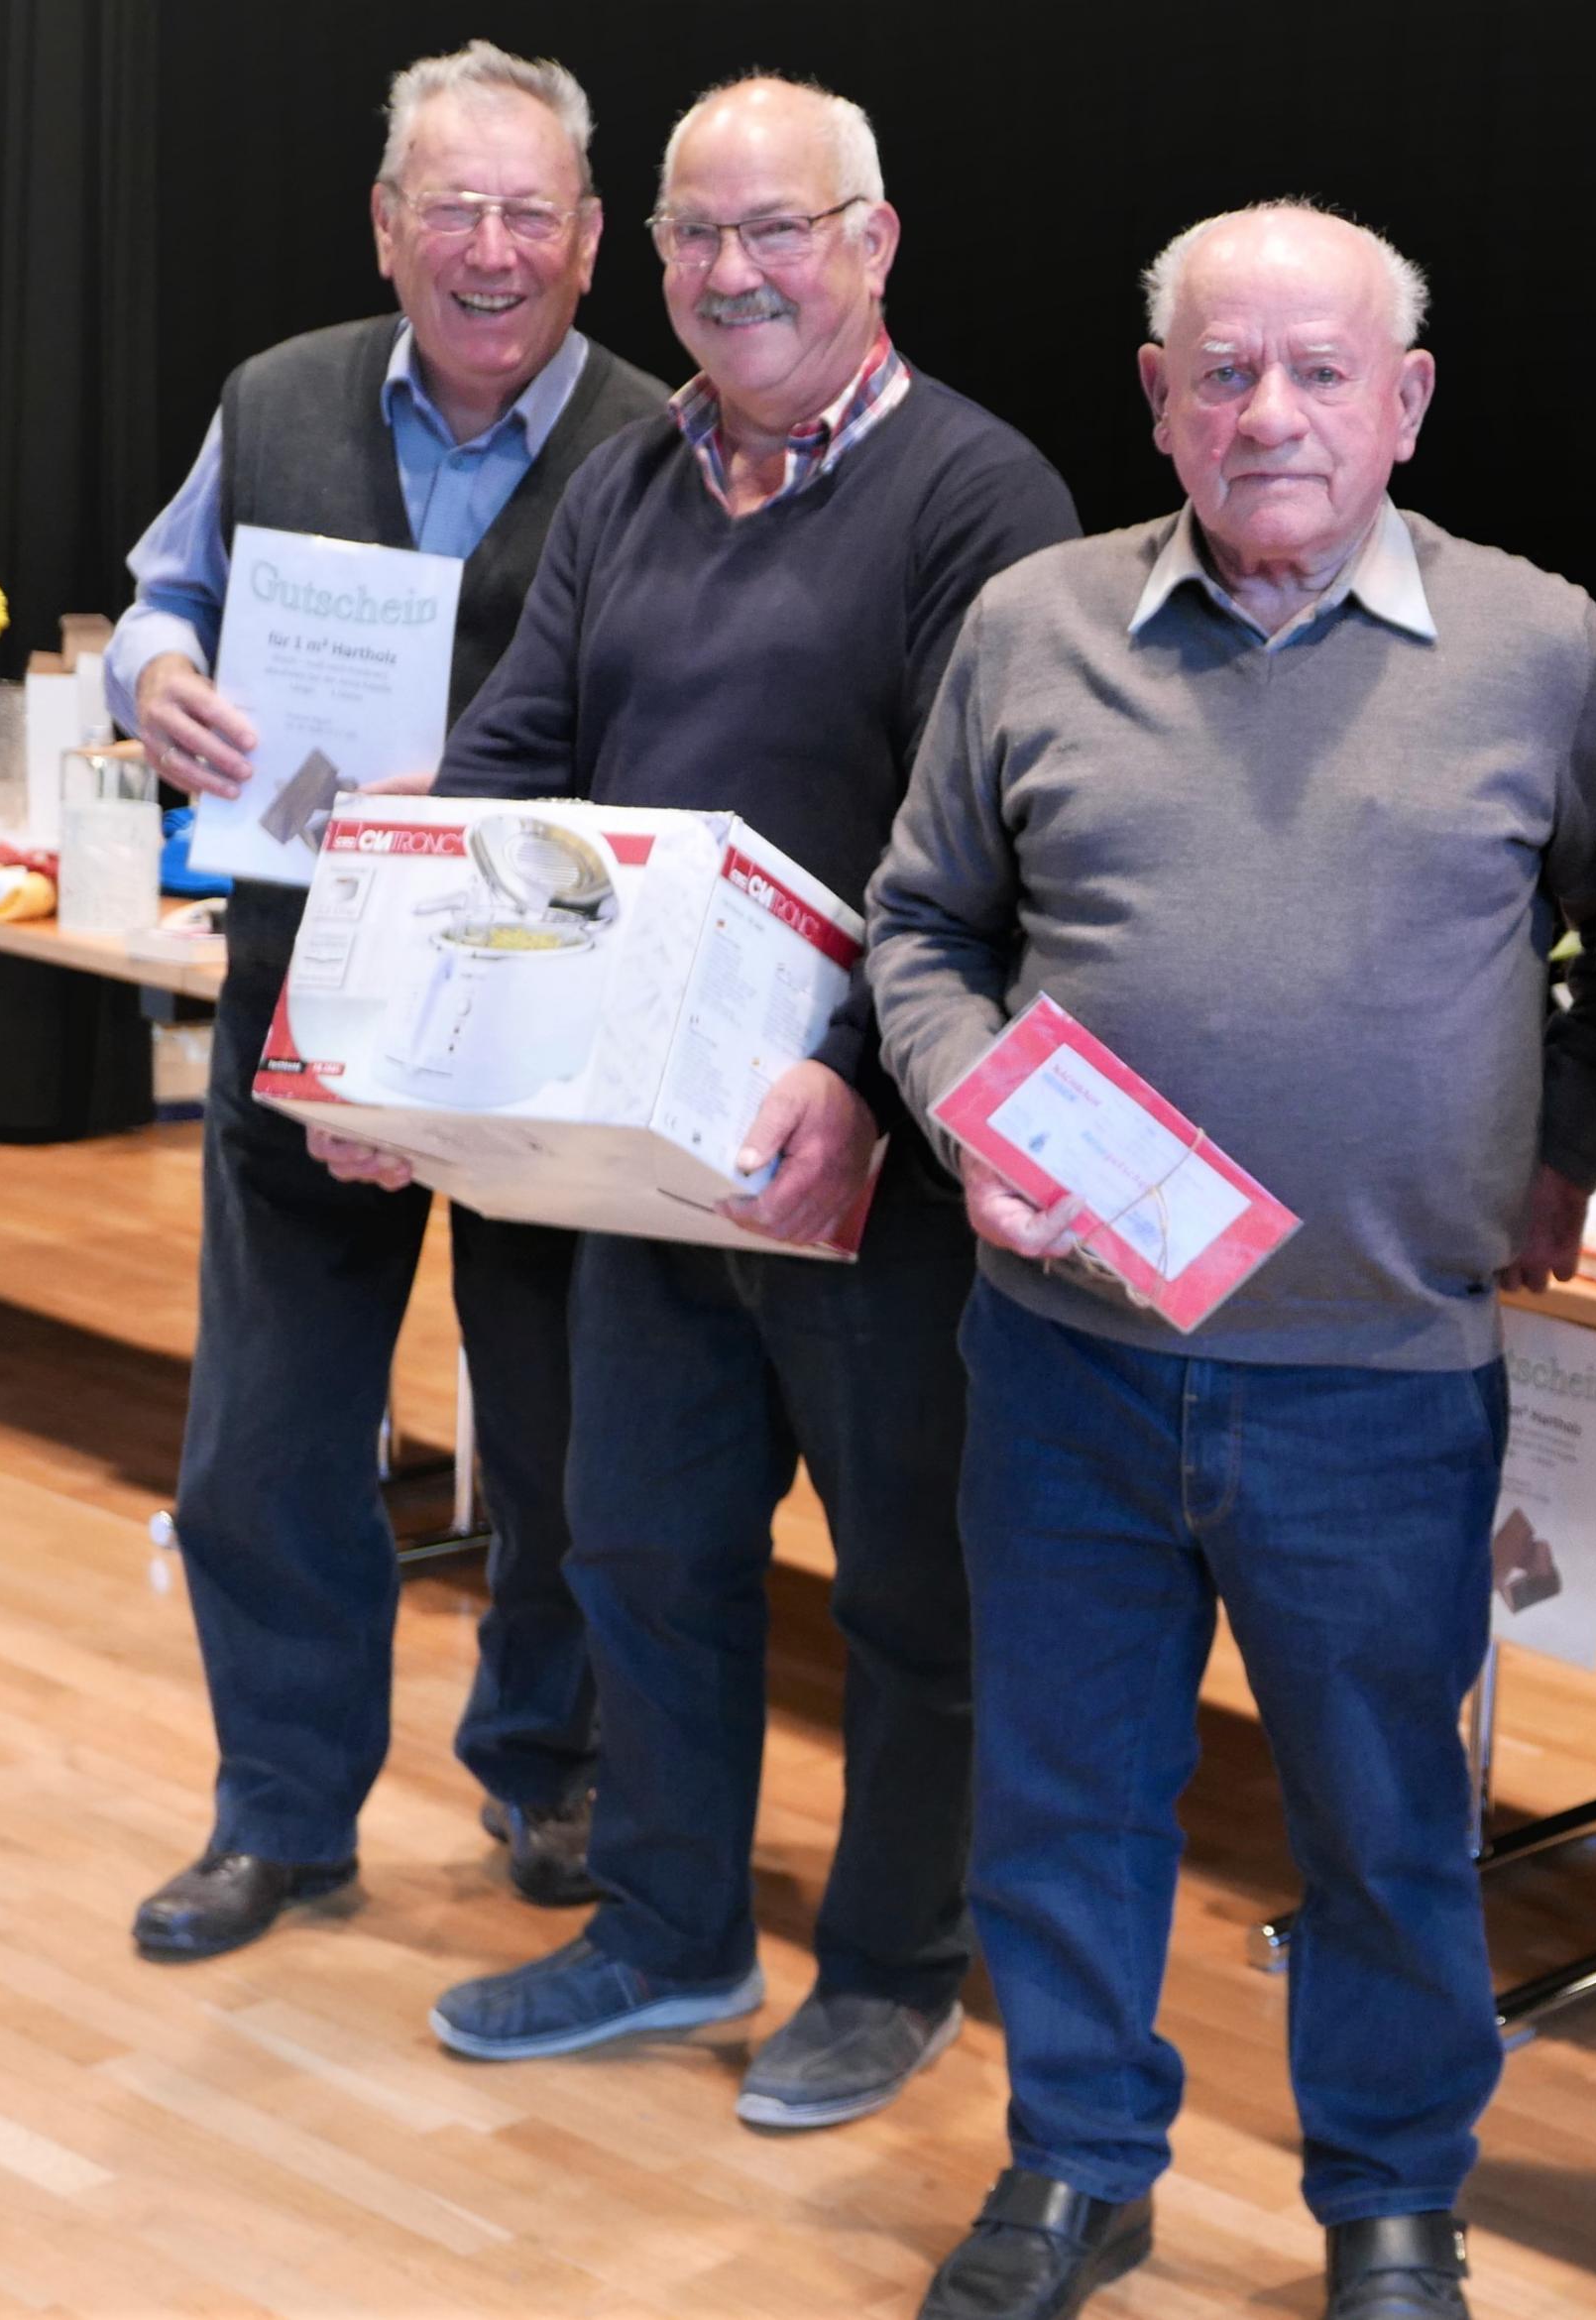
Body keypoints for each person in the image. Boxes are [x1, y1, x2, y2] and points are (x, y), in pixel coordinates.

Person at [864, 201, 1596, 2320]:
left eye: (1318, 371)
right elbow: (920, 925)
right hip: (1065, 1360)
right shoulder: (1033, 626)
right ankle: (1075, 2164)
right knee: (1062, 1799)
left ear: (1407, 402)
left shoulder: (1547, 650)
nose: (1268, 412)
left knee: (1386, 1830)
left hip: (1380, 1380)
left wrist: (1563, 1145)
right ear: (1157, 400)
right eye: (1222, 372)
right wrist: (961, 1107)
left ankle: (1391, 2205)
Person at [412, 74, 1081, 2135]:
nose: (732, 270)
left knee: (909, 1596)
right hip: (647, 1157)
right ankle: (668, 1927)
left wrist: (861, 1081)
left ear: (874, 243)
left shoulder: (980, 497)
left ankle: (892, 1966)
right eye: (696, 234)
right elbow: (512, 756)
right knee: (639, 1550)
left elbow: (988, 855)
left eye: (776, 228)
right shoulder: (627, 480)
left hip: (876, 1172)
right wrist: (404, 1025)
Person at [118, 39, 668, 1965]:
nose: (489, 249)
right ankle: (278, 1813)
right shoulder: (272, 398)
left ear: (589, 240)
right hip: (307, 997)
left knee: (572, 1446)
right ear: (384, 224)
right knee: (266, 1440)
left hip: (550, 1024)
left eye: (530, 213)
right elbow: (161, 597)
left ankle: (553, 1770)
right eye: (453, 208)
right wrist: (153, 677)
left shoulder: (666, 447)